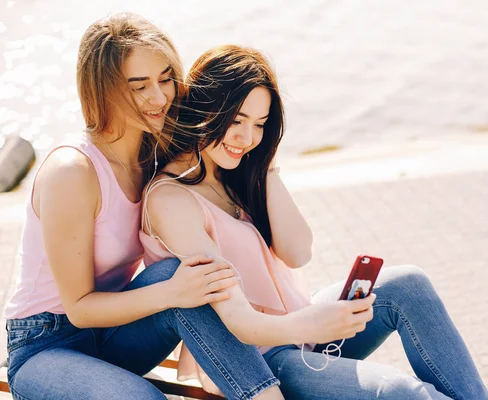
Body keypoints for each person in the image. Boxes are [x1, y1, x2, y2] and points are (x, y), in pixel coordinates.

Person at [142, 44, 488, 400]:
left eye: (259, 124)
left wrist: (264, 164)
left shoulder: (231, 175)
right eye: (236, 121)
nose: (246, 138)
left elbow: (297, 252)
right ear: (205, 108)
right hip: (262, 358)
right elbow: (238, 323)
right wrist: (315, 323)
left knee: (408, 284)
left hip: (302, 327)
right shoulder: (171, 200)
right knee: (399, 391)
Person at [3, 14, 289, 400]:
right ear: (101, 91)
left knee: (188, 273)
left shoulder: (153, 155)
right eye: (139, 86)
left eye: (166, 79)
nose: (159, 97)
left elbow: (226, 143)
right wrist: (175, 292)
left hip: (118, 332)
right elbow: (79, 310)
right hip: (47, 346)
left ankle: (263, 395)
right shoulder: (72, 171)